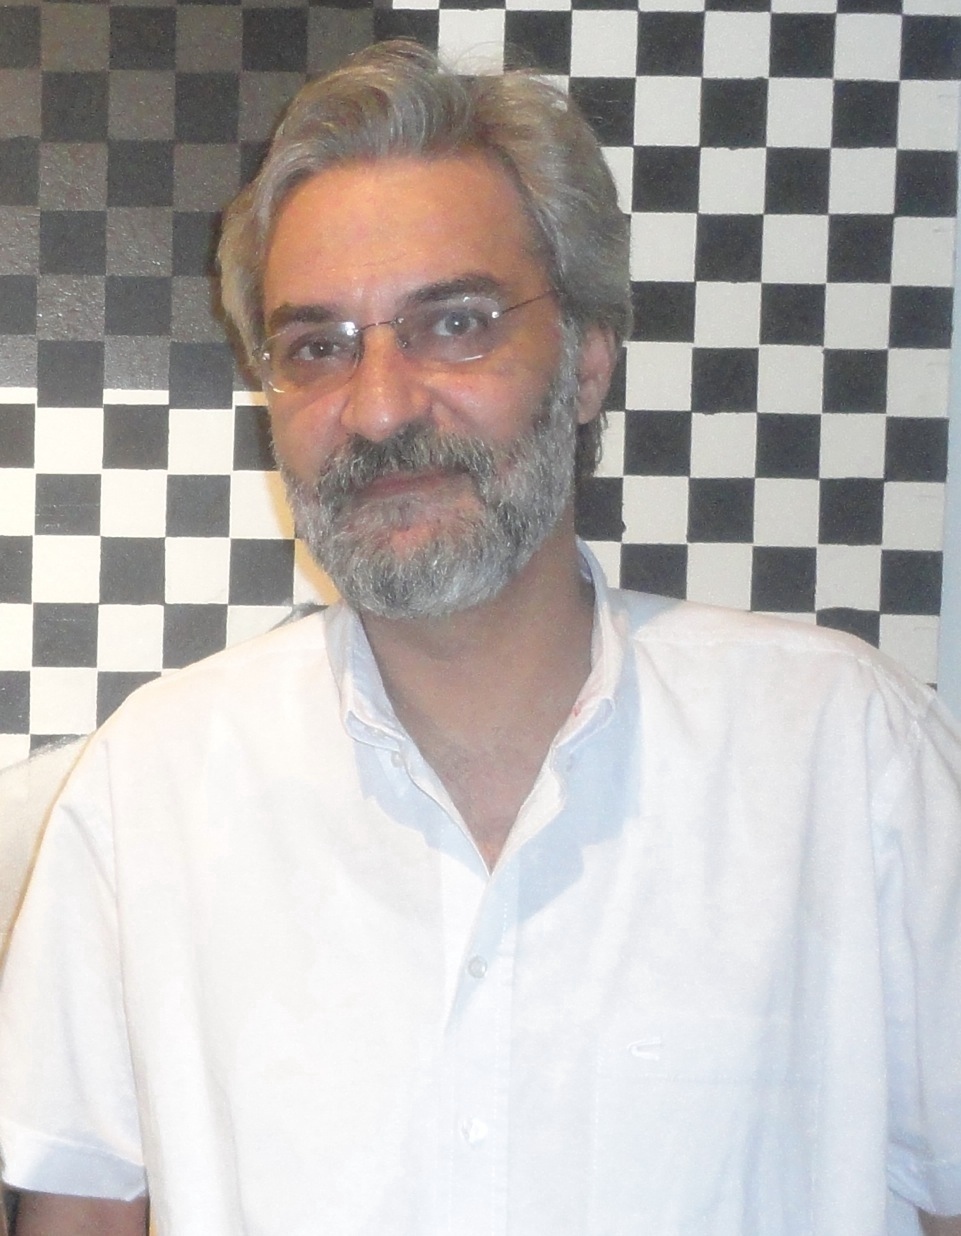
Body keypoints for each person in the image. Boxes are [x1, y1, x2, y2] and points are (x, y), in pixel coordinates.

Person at [1, 39, 960, 1236]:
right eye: (317, 347)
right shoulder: (150, 788)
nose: (380, 407)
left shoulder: (846, 757)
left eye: (452, 323)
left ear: (586, 363)